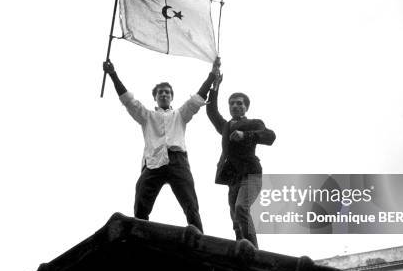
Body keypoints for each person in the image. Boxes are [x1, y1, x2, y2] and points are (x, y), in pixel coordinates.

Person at [103, 59, 218, 232]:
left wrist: (212, 75)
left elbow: (198, 98)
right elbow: (128, 100)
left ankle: (199, 239)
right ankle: (141, 238)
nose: (164, 95)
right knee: (141, 203)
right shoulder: (146, 116)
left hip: (177, 161)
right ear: (155, 98)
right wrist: (112, 74)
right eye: (160, 93)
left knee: (191, 204)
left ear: (171, 97)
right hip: (153, 163)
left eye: (167, 92)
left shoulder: (180, 114)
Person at [206, 59, 275, 248]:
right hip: (233, 178)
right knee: (236, 220)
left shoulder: (254, 122)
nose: (235, 106)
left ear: (246, 107)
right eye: (232, 104)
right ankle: (241, 253)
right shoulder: (226, 126)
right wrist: (215, 85)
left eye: (239, 103)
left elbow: (270, 136)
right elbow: (211, 111)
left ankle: (254, 252)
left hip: (251, 174)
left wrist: (246, 135)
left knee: (241, 208)